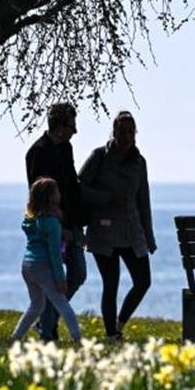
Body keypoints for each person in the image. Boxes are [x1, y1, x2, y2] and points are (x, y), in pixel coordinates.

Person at [79, 111, 156, 341]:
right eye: (122, 131)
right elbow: (79, 187)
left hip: (132, 231)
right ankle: (111, 334)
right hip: (103, 231)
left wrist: (149, 237)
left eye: (131, 132)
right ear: (113, 132)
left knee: (143, 281)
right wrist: (106, 198)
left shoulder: (139, 163)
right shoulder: (99, 156)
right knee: (110, 283)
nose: (126, 136)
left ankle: (119, 324)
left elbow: (144, 201)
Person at [24, 102, 87, 341]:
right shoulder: (38, 153)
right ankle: (47, 328)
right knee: (54, 281)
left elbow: (71, 186)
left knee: (78, 273)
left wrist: (78, 222)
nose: (75, 131)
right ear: (61, 126)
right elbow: (39, 196)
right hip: (52, 228)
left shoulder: (66, 148)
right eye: (72, 125)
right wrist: (58, 227)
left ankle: (46, 322)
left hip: (71, 223)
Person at [9, 177, 83, 344]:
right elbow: (54, 254)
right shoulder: (52, 223)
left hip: (27, 266)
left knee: (36, 305)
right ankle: (78, 338)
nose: (59, 194)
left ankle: (16, 337)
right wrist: (61, 278)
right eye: (56, 191)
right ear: (52, 198)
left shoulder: (30, 220)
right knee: (62, 304)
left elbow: (32, 230)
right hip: (44, 267)